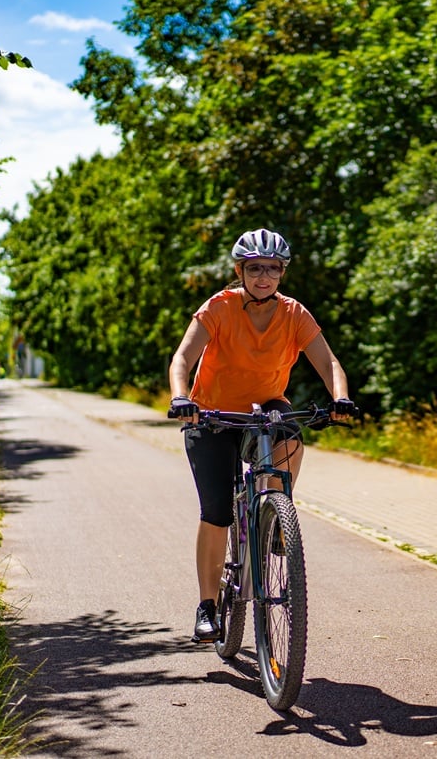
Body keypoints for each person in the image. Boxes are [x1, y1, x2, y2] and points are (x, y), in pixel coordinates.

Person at [168, 228, 355, 643]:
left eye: (273, 268)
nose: (264, 277)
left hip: (266, 405)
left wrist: (340, 398)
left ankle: (273, 517)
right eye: (255, 269)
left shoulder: (293, 314)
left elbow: (329, 363)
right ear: (240, 271)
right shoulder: (219, 307)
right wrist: (181, 397)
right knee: (216, 511)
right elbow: (183, 358)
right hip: (211, 414)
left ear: (282, 272)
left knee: (290, 434)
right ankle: (207, 606)